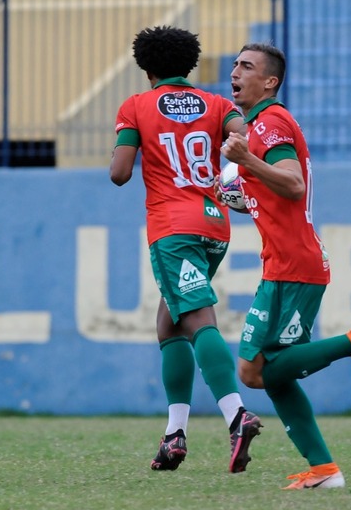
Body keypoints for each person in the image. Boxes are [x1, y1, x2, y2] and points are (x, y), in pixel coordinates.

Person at [218, 42, 351, 489]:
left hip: (294, 264)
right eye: (235, 65)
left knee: (253, 370)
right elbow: (277, 194)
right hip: (282, 262)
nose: (234, 72)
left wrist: (246, 161)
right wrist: (241, 196)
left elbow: (294, 185)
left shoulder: (272, 121)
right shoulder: (260, 126)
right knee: (266, 372)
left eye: (246, 66)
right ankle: (324, 471)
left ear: (270, 81)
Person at [110, 26, 262, 473]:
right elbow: (244, 137)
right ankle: (174, 435)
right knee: (169, 324)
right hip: (215, 225)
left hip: (172, 228)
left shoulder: (136, 106)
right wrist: (230, 167)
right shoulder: (217, 105)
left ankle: (237, 414)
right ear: (189, 63)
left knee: (196, 318)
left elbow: (120, 173)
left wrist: (131, 144)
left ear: (146, 66)